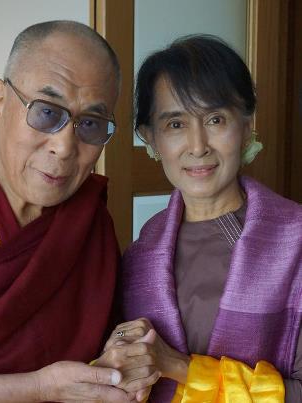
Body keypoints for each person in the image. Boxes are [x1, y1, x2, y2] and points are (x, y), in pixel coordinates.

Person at [0, 21, 158, 402]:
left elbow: (99, 349)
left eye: (90, 123)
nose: (65, 146)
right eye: (47, 112)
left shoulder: (87, 219)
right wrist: (39, 388)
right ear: (0, 103)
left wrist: (122, 355)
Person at [107, 35, 302, 402]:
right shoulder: (141, 257)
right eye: (175, 124)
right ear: (150, 139)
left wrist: (182, 368)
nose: (198, 146)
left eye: (215, 119)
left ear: (245, 127)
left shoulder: (295, 242)